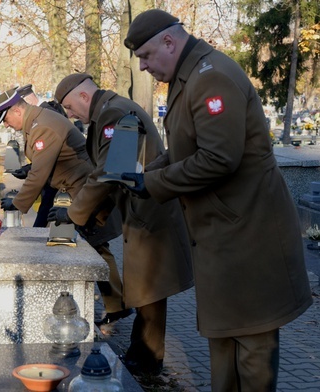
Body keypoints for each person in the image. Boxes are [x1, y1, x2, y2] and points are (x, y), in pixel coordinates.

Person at [121, 9, 312, 390]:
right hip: (225, 236)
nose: (142, 67)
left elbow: (218, 159)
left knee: (252, 345)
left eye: (145, 56)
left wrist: (154, 184)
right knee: (224, 339)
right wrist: (143, 176)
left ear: (169, 42)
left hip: (249, 236)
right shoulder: (190, 77)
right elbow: (181, 149)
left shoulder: (212, 78)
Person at [50, 73, 194, 376]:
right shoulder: (110, 110)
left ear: (84, 97)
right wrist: (89, 215)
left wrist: (75, 214)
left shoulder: (113, 113)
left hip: (149, 210)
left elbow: (110, 169)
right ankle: (143, 354)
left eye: (71, 108)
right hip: (144, 208)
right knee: (147, 288)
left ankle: (147, 359)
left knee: (150, 288)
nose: (72, 116)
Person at [0, 88, 131, 328]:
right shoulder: (37, 120)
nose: (7, 126)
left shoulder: (41, 126)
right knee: (96, 247)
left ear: (17, 110)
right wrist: (28, 169)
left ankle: (117, 305)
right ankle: (117, 304)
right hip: (78, 188)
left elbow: (41, 172)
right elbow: (48, 160)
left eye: (6, 119)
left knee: (96, 246)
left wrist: (19, 203)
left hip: (84, 191)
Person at [12, 84, 64, 228]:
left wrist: (18, 202)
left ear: (27, 101)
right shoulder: (43, 112)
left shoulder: (46, 113)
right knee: (46, 213)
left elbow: (50, 153)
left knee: (46, 215)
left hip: (57, 175)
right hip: (51, 173)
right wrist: (28, 168)